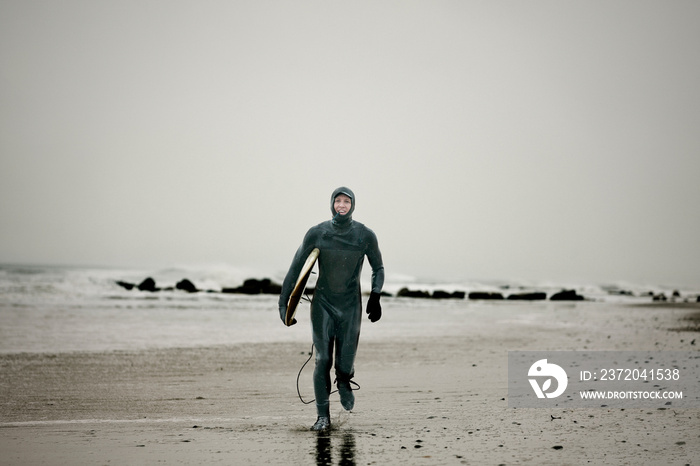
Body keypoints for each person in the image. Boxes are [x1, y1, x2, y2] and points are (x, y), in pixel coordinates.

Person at [279, 187, 385, 432]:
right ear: (331, 204)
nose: (341, 205)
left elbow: (378, 268)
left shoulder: (364, 235)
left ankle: (345, 379)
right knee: (322, 359)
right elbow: (296, 268)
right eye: (337, 201)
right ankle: (322, 417)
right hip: (323, 304)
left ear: (353, 205)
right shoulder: (318, 233)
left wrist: (376, 295)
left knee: (343, 364)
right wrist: (284, 304)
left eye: (346, 201)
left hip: (351, 306)